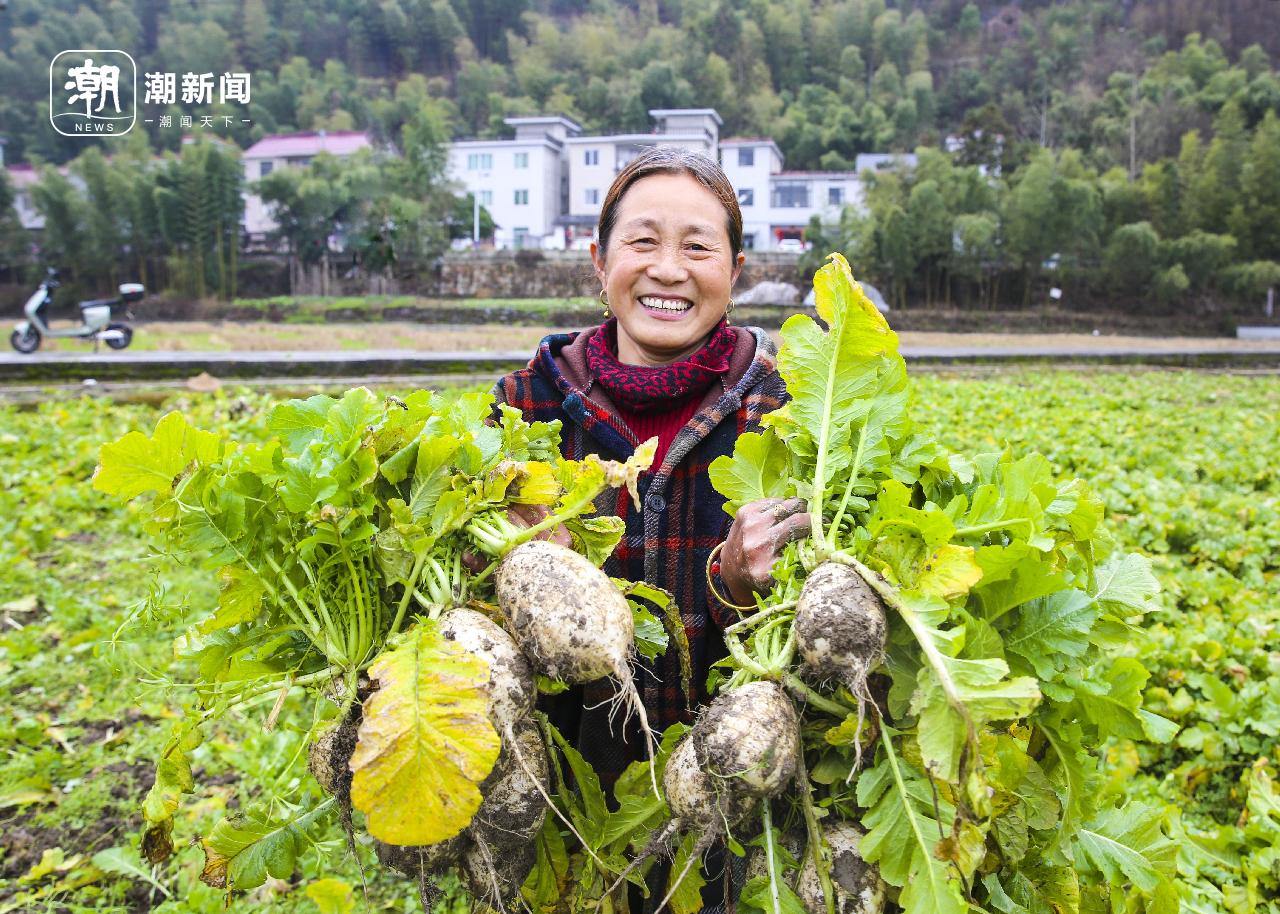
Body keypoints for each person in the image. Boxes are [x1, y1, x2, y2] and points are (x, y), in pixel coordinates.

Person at [488, 146, 810, 911]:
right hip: (566, 805)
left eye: (697, 247)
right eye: (643, 241)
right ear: (600, 262)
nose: (668, 269)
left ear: (734, 269)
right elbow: (463, 621)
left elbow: (827, 632)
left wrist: (736, 588)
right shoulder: (520, 408)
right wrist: (507, 566)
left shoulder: (791, 417)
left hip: (737, 806)